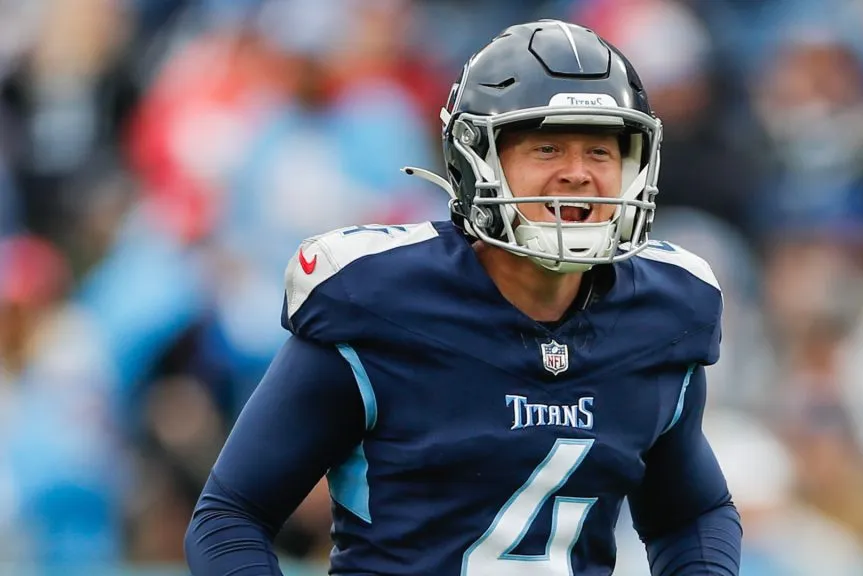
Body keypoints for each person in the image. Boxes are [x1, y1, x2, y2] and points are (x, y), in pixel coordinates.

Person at [184, 19, 742, 575]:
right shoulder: (380, 302)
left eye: (600, 151)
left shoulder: (664, 314)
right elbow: (231, 517)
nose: (578, 174)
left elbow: (692, 515)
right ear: (478, 160)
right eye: (547, 147)